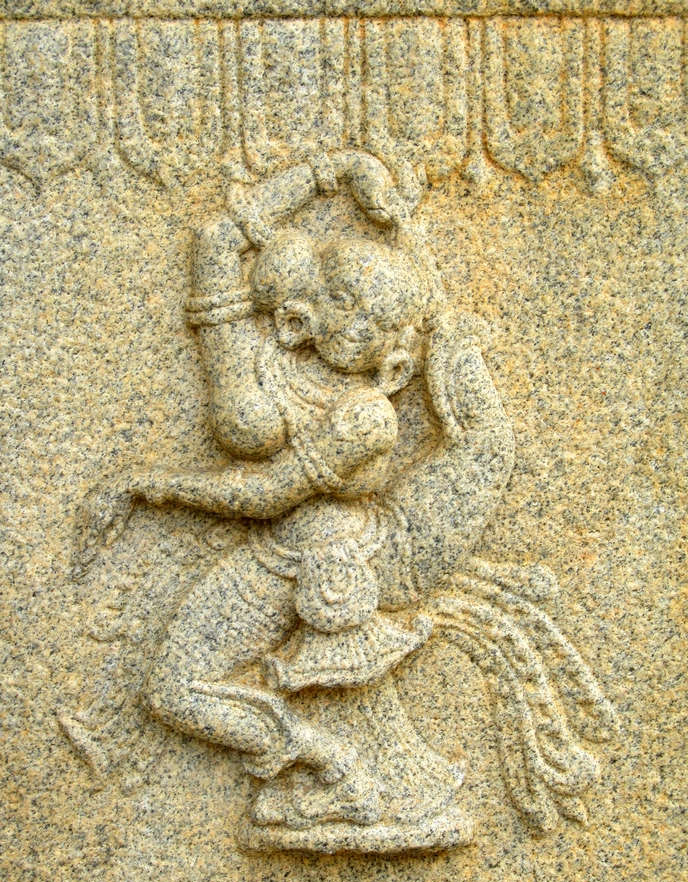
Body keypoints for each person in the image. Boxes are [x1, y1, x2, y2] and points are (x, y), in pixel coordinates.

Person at [74, 150, 515, 833]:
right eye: (341, 300)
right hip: (280, 555)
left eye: (373, 322)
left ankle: (342, 775)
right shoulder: (273, 357)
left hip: (330, 561)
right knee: (171, 690)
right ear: (306, 306)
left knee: (180, 689)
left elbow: (266, 498)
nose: (353, 323)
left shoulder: (366, 416)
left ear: (395, 359)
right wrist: (326, 174)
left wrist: (147, 487)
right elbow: (216, 240)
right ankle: (329, 762)